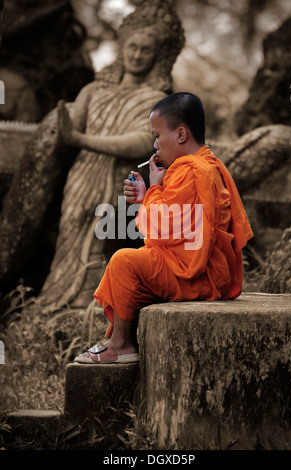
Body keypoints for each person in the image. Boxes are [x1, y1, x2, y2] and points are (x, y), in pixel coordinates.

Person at [75, 92, 253, 364]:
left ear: (181, 134)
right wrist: (148, 195)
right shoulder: (209, 165)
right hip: (206, 270)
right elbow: (178, 225)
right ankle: (125, 339)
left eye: (157, 136)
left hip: (198, 275)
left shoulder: (191, 170)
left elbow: (159, 228)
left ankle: (121, 344)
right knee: (134, 265)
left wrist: (155, 187)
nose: (155, 145)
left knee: (124, 261)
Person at [39, 2, 185, 309]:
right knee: (70, 235)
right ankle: (54, 303)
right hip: (81, 175)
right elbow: (65, 135)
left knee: (98, 239)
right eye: (132, 47)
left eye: (146, 50)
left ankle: (91, 305)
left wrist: (80, 139)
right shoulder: (93, 90)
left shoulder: (156, 100)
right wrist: (61, 132)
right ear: (122, 46)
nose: (136, 55)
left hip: (119, 180)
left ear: (158, 55)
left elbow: (140, 142)